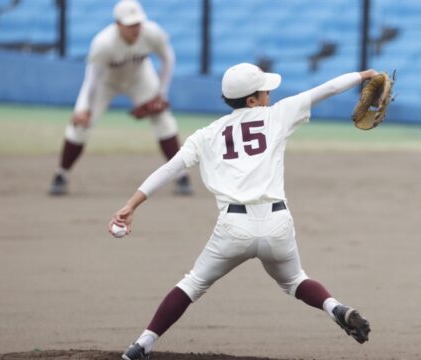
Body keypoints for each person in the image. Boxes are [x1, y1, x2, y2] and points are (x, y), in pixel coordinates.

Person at [109, 63, 377, 360]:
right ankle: (335, 308)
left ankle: (142, 345)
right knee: (295, 280)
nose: (269, 95)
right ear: (252, 100)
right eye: (265, 91)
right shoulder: (277, 115)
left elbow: (170, 168)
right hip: (277, 223)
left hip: (233, 228)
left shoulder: (207, 134)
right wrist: (363, 76)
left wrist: (131, 205)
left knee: (193, 284)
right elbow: (327, 88)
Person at [49, 0, 192, 196]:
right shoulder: (103, 43)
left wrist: (162, 93)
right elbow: (91, 79)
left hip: (140, 78)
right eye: (130, 24)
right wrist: (84, 108)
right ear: (118, 25)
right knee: (81, 124)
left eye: (138, 23)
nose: (135, 28)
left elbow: (168, 57)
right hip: (105, 83)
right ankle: (61, 174)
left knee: (164, 120)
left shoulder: (151, 32)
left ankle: (181, 175)